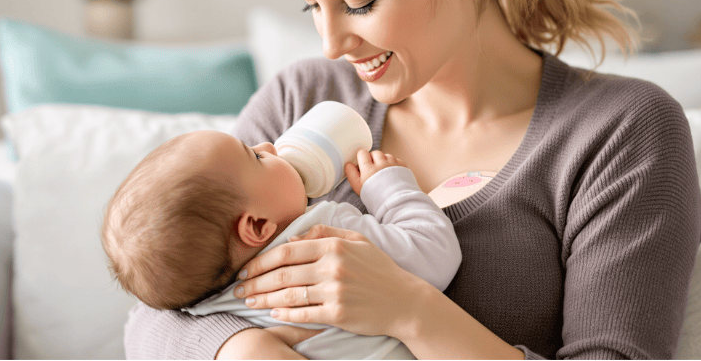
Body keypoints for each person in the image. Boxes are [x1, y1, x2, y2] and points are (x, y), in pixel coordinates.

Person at [124, 0, 701, 359]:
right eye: (311, 7)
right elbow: (161, 307)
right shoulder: (305, 97)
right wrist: (241, 348)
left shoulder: (621, 132)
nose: (331, 45)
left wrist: (409, 309)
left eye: (358, 2)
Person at [102, 129, 460, 359]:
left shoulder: (203, 301)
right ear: (257, 226)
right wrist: (389, 186)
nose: (268, 144)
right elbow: (436, 255)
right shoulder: (326, 235)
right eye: (256, 157)